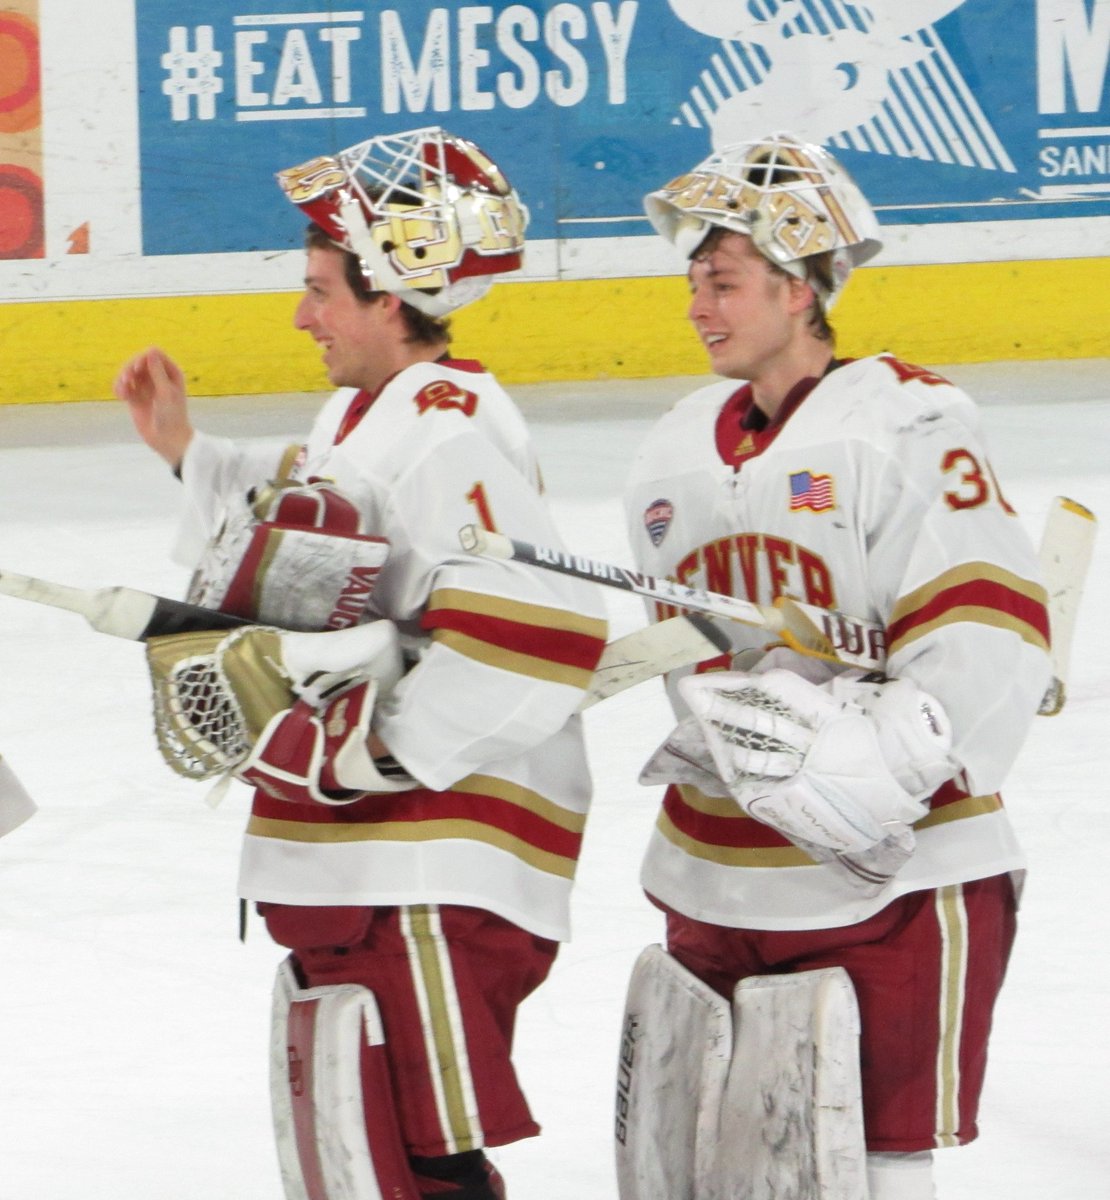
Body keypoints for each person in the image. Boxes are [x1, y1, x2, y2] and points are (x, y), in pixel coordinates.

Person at [113, 126, 609, 1200]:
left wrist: (356, 753)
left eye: (320, 289)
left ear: (391, 295)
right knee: (358, 1146)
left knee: (419, 1158)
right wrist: (189, 455)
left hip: (437, 864)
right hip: (375, 862)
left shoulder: (453, 430)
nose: (301, 314)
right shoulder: (364, 411)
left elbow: (536, 643)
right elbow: (313, 529)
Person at [617, 132, 1051, 1200]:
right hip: (713, 872)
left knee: (869, 1162)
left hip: (895, 873)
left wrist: (887, 755)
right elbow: (688, 656)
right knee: (713, 1159)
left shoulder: (907, 418)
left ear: (802, 287)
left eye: (720, 280)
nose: (696, 306)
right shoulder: (672, 448)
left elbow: (988, 618)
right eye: (693, 282)